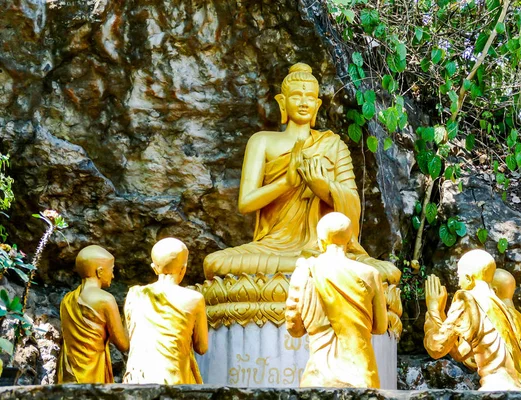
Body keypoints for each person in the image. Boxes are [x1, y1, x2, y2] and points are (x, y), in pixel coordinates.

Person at [203, 63, 400, 284]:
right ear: (282, 102)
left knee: (386, 272)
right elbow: (246, 204)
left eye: (309, 98)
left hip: (323, 248)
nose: (304, 102)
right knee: (215, 263)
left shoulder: (333, 145)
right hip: (272, 249)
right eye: (296, 96)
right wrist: (286, 183)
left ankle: (308, 270)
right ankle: (314, 271)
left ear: (317, 105)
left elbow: (352, 204)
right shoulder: (262, 141)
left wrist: (323, 188)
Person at [285, 212, 388, 388]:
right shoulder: (371, 274)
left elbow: (294, 328)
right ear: (349, 241)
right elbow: (380, 327)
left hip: (318, 378)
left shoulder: (305, 271)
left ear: (320, 241)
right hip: (361, 378)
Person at [423, 249, 521, 391]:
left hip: (495, 388)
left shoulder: (467, 299)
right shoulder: (502, 308)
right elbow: (461, 353)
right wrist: (441, 314)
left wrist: (433, 308)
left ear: (469, 278)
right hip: (517, 389)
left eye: (459, 277)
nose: (458, 283)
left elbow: (437, 348)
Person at [123, 238, 208, 384]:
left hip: (138, 381)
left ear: (154, 268)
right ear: (184, 268)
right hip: (175, 380)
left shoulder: (135, 295)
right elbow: (202, 347)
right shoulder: (194, 299)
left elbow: (127, 340)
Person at [57, 245, 129, 383]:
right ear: (100, 271)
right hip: (93, 372)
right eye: (112, 270)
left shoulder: (67, 300)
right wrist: (128, 316)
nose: (113, 276)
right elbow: (123, 345)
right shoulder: (105, 300)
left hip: (68, 372)